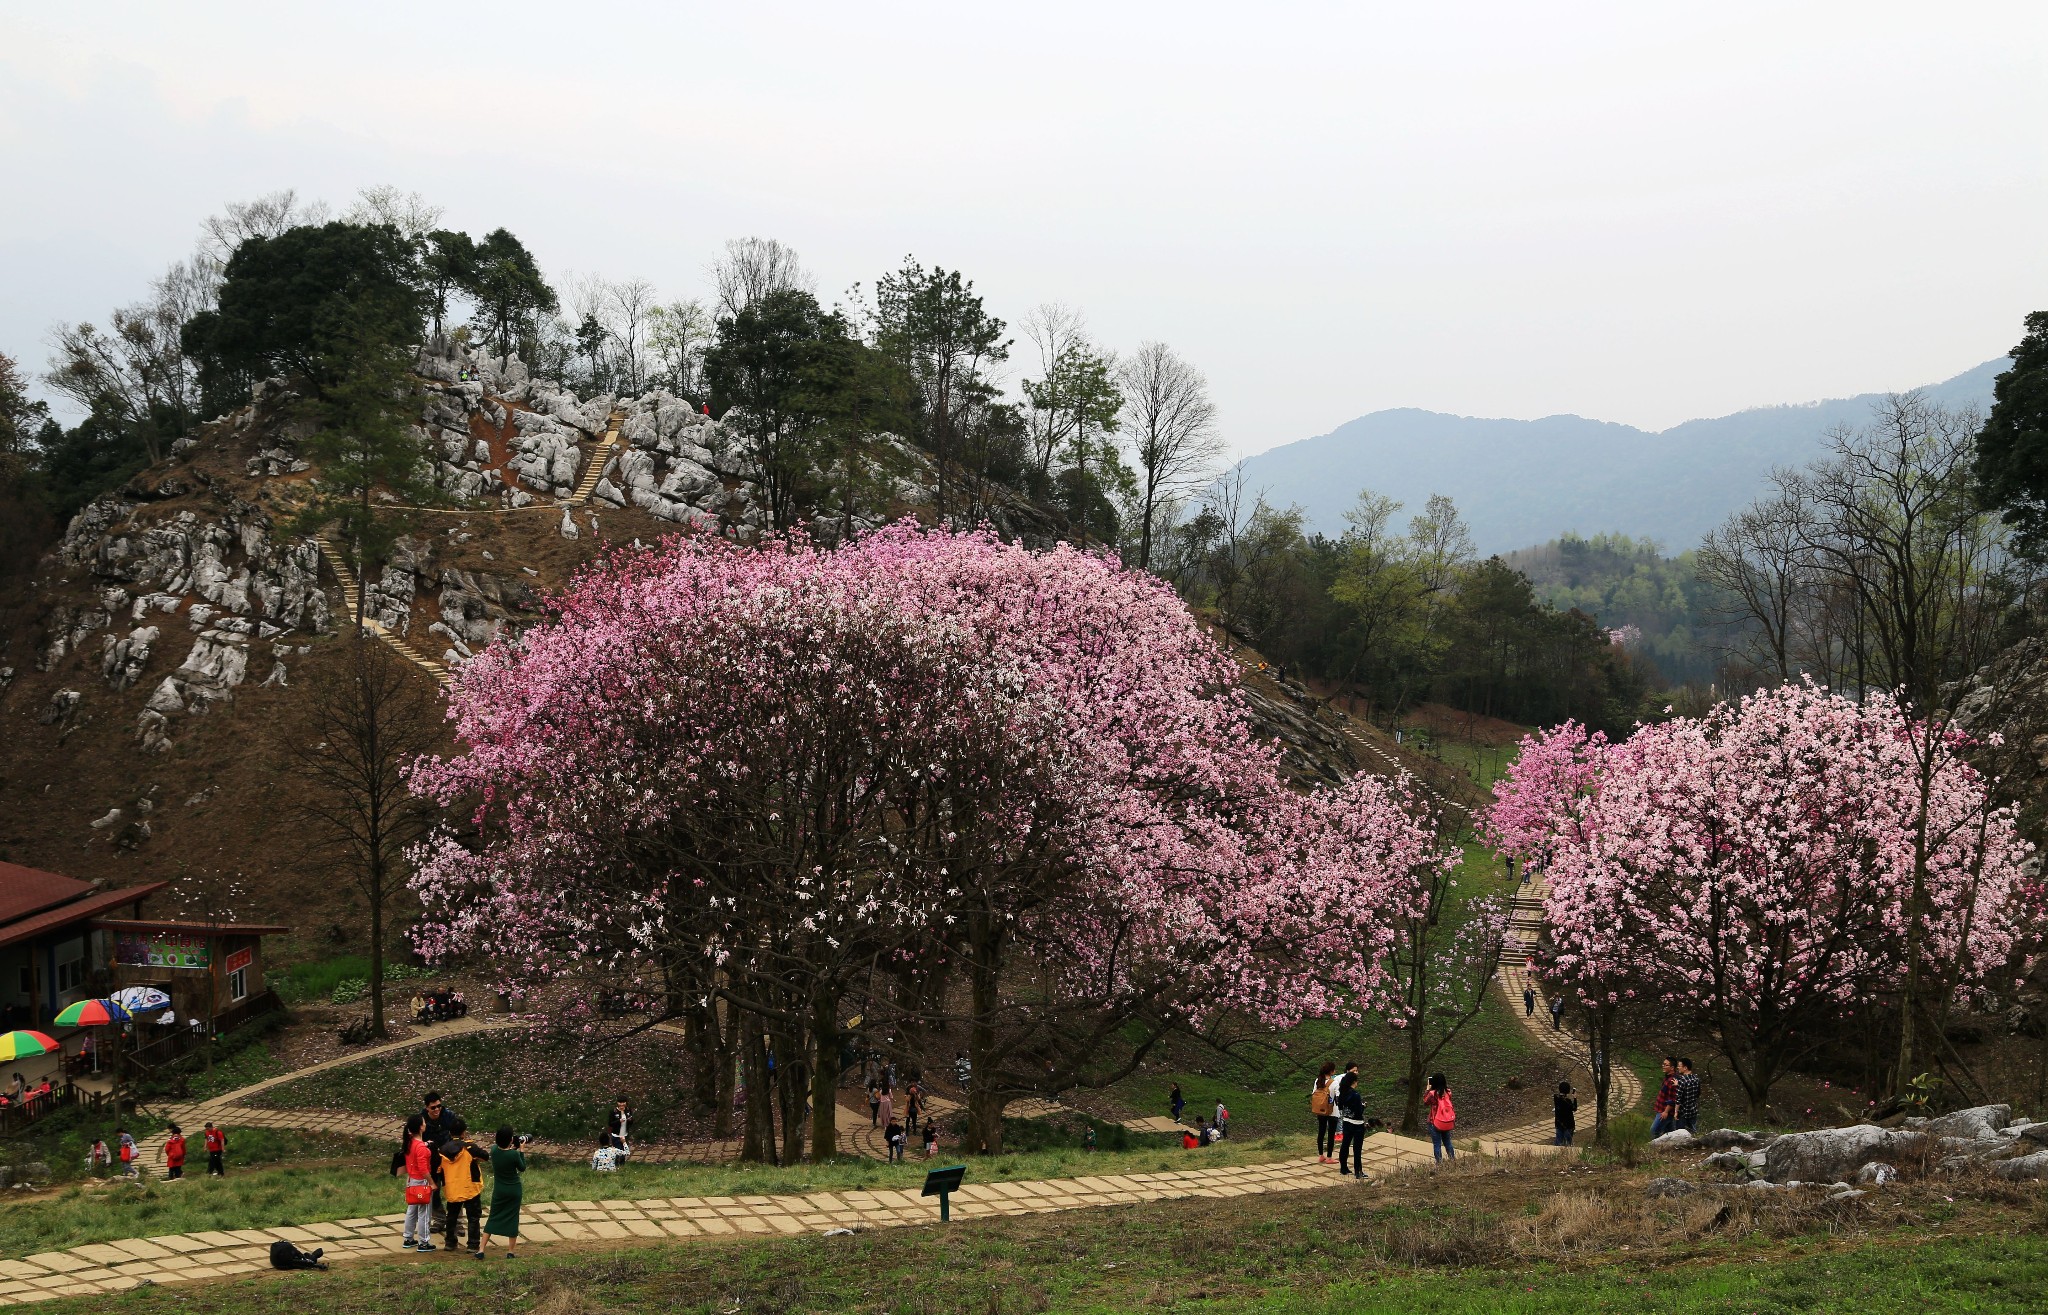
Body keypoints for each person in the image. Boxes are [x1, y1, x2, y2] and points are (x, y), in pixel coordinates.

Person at [438, 1119, 486, 1257]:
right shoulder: (469, 1148)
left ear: (450, 1132)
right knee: (473, 1217)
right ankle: (472, 1244)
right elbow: (485, 1156)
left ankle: (450, 1242)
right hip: (470, 1187)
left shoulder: (442, 1150)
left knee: (451, 1216)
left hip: (452, 1188)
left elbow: (438, 1170)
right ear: (464, 1132)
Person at [484, 1127, 526, 1257]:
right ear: (510, 1140)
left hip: (499, 1190)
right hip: (514, 1190)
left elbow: (503, 1151)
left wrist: (511, 1148)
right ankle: (510, 1251)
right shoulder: (514, 1155)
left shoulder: (494, 1150)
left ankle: (481, 1249)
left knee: (493, 1217)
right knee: (513, 1219)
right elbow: (522, 1167)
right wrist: (521, 1151)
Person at [400, 1115, 437, 1251]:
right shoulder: (420, 1147)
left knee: (412, 1210)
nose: (425, 1124)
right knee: (424, 1212)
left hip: (412, 1181)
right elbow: (423, 1169)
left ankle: (408, 1238)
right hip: (422, 1182)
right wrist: (432, 1183)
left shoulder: (409, 1142)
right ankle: (424, 1242)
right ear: (421, 1127)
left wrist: (425, 1144)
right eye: (423, 1122)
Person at [1336, 1069, 1368, 1178]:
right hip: (1357, 1124)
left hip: (1346, 1121)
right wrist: (1363, 1106)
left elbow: (1340, 1107)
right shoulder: (1355, 1095)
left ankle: (1343, 1168)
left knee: (1345, 1145)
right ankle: (1358, 1171)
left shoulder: (1343, 1093)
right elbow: (1359, 1112)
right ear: (1354, 1082)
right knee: (1357, 1148)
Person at [1423, 1073, 1456, 1163]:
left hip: (1434, 1122)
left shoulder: (1432, 1094)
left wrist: (1427, 1089)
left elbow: (1425, 1102)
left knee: (1437, 1144)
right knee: (1448, 1142)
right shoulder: (1448, 1092)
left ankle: (1439, 1164)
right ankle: (1452, 1160)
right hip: (1447, 1121)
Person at [1311, 1063, 1337, 1164]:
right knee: (1331, 1134)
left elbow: (1314, 1093)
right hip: (1332, 1111)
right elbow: (1337, 1097)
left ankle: (1321, 1155)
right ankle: (1329, 1157)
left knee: (1321, 1132)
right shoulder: (1334, 1083)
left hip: (1320, 1110)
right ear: (1331, 1071)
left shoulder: (1318, 1080)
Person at [1650, 1058, 1678, 1137]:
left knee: (1654, 1131)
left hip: (1665, 1112)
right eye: (1663, 1064)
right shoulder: (1667, 1078)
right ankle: (1673, 1147)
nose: (1663, 1066)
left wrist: (1666, 1111)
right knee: (1670, 1133)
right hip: (1662, 1110)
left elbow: (1673, 1098)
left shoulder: (1672, 1080)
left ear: (1672, 1068)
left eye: (1666, 1065)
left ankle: (1655, 1148)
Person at [1675, 1058, 1701, 1134]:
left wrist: (1676, 1112)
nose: (1678, 1067)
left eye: (1679, 1066)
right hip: (1693, 1111)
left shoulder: (1682, 1080)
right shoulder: (1696, 1079)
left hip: (1683, 1113)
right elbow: (1698, 1094)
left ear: (1685, 1068)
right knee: (1693, 1133)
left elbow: (1678, 1099)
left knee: (1680, 1135)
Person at [1553, 1082, 1578, 1147]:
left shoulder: (1556, 1098)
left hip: (1559, 1124)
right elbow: (1574, 1108)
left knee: (1559, 1143)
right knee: (1567, 1144)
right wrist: (1575, 1098)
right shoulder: (1568, 1101)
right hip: (1568, 1125)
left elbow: (1559, 1096)